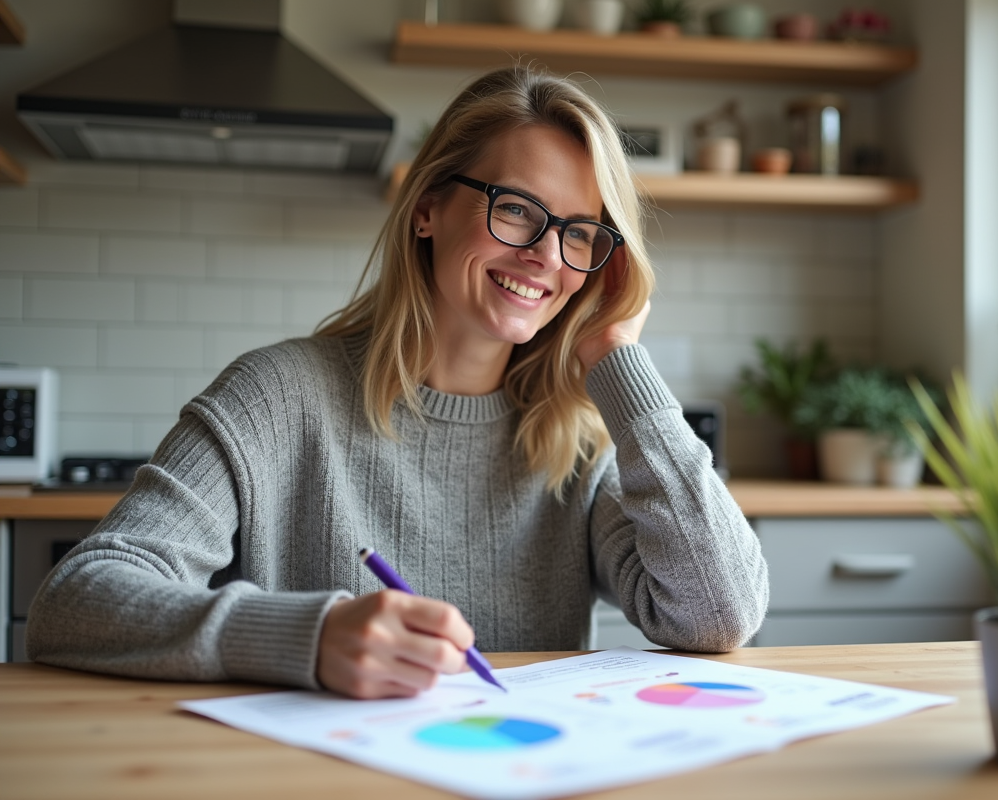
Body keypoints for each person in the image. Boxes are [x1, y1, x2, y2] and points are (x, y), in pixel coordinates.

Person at [26, 66, 769, 699]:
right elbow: (77, 602)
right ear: (426, 209)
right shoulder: (276, 397)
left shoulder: (576, 439)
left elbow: (721, 614)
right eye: (517, 209)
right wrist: (306, 638)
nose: (548, 255)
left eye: (580, 232)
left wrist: (619, 363)